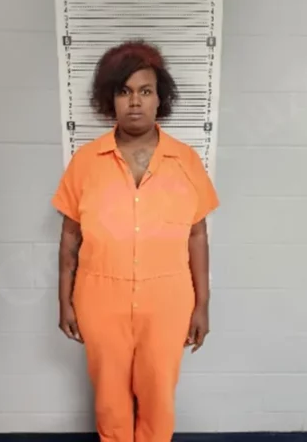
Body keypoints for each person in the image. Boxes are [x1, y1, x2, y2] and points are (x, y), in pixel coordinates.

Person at [51, 40, 219, 442]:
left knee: (158, 393)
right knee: (110, 398)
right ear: (110, 99)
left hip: (169, 298)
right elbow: (70, 235)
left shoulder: (186, 161)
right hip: (99, 296)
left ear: (160, 98)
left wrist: (202, 304)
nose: (135, 102)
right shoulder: (85, 162)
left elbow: (197, 234)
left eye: (145, 91)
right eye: (124, 91)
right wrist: (64, 300)